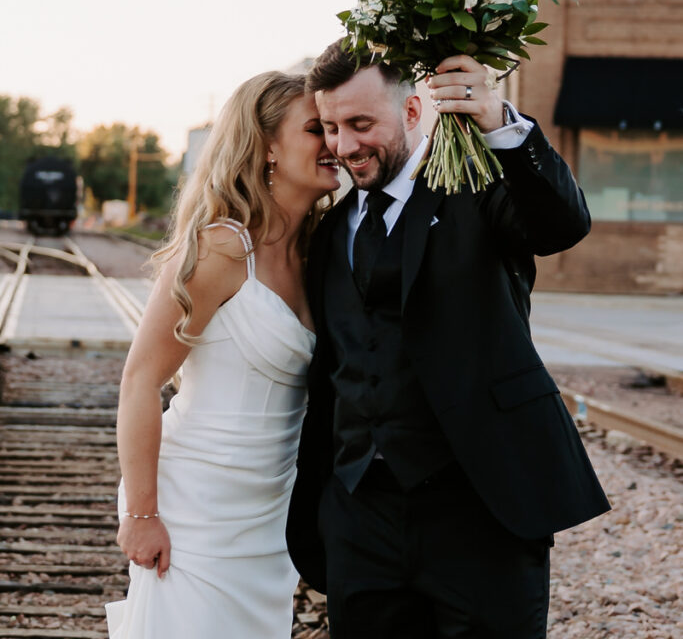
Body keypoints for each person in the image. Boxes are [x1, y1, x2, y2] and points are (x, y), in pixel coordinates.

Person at [286, 43, 610, 639]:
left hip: (480, 509)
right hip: (362, 515)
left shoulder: (476, 188)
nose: (344, 145)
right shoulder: (330, 231)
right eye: (331, 127)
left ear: (412, 112)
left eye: (361, 124)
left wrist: (499, 122)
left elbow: (561, 225)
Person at [105, 71, 340, 639]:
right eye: (316, 129)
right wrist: (141, 515)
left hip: (269, 516)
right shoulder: (221, 247)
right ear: (267, 150)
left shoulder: (321, 250)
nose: (334, 142)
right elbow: (140, 380)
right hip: (197, 509)